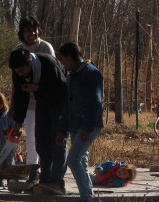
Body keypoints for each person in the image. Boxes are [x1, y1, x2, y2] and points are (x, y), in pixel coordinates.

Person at [9, 48, 68, 195]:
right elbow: (20, 97)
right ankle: (45, 179)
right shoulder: (17, 71)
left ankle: (58, 182)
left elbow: (62, 91)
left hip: (60, 103)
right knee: (41, 141)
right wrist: (18, 122)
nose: (19, 74)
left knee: (58, 140)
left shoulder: (49, 64)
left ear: (30, 62)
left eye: (22, 70)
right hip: (42, 102)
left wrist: (37, 88)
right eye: (17, 71)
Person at [56, 42, 104, 202]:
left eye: (62, 59)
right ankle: (88, 196)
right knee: (81, 160)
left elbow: (95, 103)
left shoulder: (91, 73)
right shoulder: (73, 76)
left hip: (88, 125)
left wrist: (88, 127)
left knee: (73, 160)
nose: (62, 63)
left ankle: (86, 198)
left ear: (70, 57)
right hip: (76, 125)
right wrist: (63, 129)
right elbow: (68, 104)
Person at [13, 16, 54, 185]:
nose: (33, 33)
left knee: (46, 136)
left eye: (35, 29)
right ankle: (32, 169)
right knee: (30, 136)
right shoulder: (18, 49)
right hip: (27, 101)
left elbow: (52, 75)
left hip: (45, 100)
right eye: (29, 30)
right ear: (22, 33)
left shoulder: (45, 47)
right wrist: (14, 105)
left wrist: (38, 89)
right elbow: (15, 80)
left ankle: (48, 170)